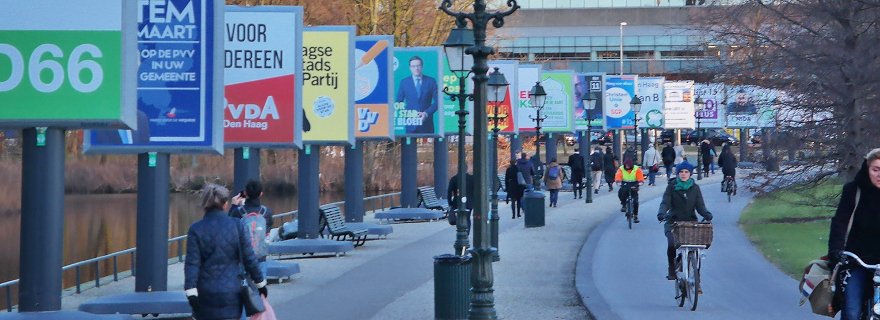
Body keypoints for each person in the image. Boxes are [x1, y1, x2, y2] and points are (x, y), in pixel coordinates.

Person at [185, 184, 267, 320]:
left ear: (205, 204)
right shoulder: (237, 225)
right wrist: (260, 284)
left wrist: (191, 292)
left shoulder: (195, 229)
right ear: (225, 204)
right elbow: (249, 258)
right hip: (232, 291)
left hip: (205, 292)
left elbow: (192, 265)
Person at [827, 148, 880, 320]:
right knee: (851, 311)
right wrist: (836, 251)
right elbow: (840, 223)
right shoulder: (853, 191)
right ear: (867, 169)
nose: (879, 175)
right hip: (857, 261)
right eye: (875, 169)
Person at [657, 161, 712, 280]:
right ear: (677, 173)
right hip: (673, 222)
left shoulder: (695, 188)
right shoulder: (671, 187)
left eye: (686, 172)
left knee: (696, 248)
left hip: (690, 223)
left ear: (690, 174)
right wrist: (661, 213)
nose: (683, 174)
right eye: (681, 172)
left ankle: (697, 277)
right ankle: (671, 268)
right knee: (672, 243)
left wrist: (706, 214)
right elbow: (665, 202)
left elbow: (700, 206)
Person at [229, 180, 274, 276]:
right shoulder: (266, 212)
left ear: (245, 193)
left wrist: (233, 206)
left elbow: (229, 227)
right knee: (260, 287)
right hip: (260, 257)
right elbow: (267, 233)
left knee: (242, 287)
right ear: (261, 194)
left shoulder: (238, 212)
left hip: (242, 258)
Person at [395, 56, 438, 134]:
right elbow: (398, 102)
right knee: (409, 146)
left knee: (428, 146)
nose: (416, 68)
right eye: (413, 66)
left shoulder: (431, 81)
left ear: (422, 67)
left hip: (427, 125)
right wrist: (409, 114)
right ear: (410, 68)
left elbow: (438, 102)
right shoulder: (404, 82)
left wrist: (426, 113)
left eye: (418, 66)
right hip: (410, 124)